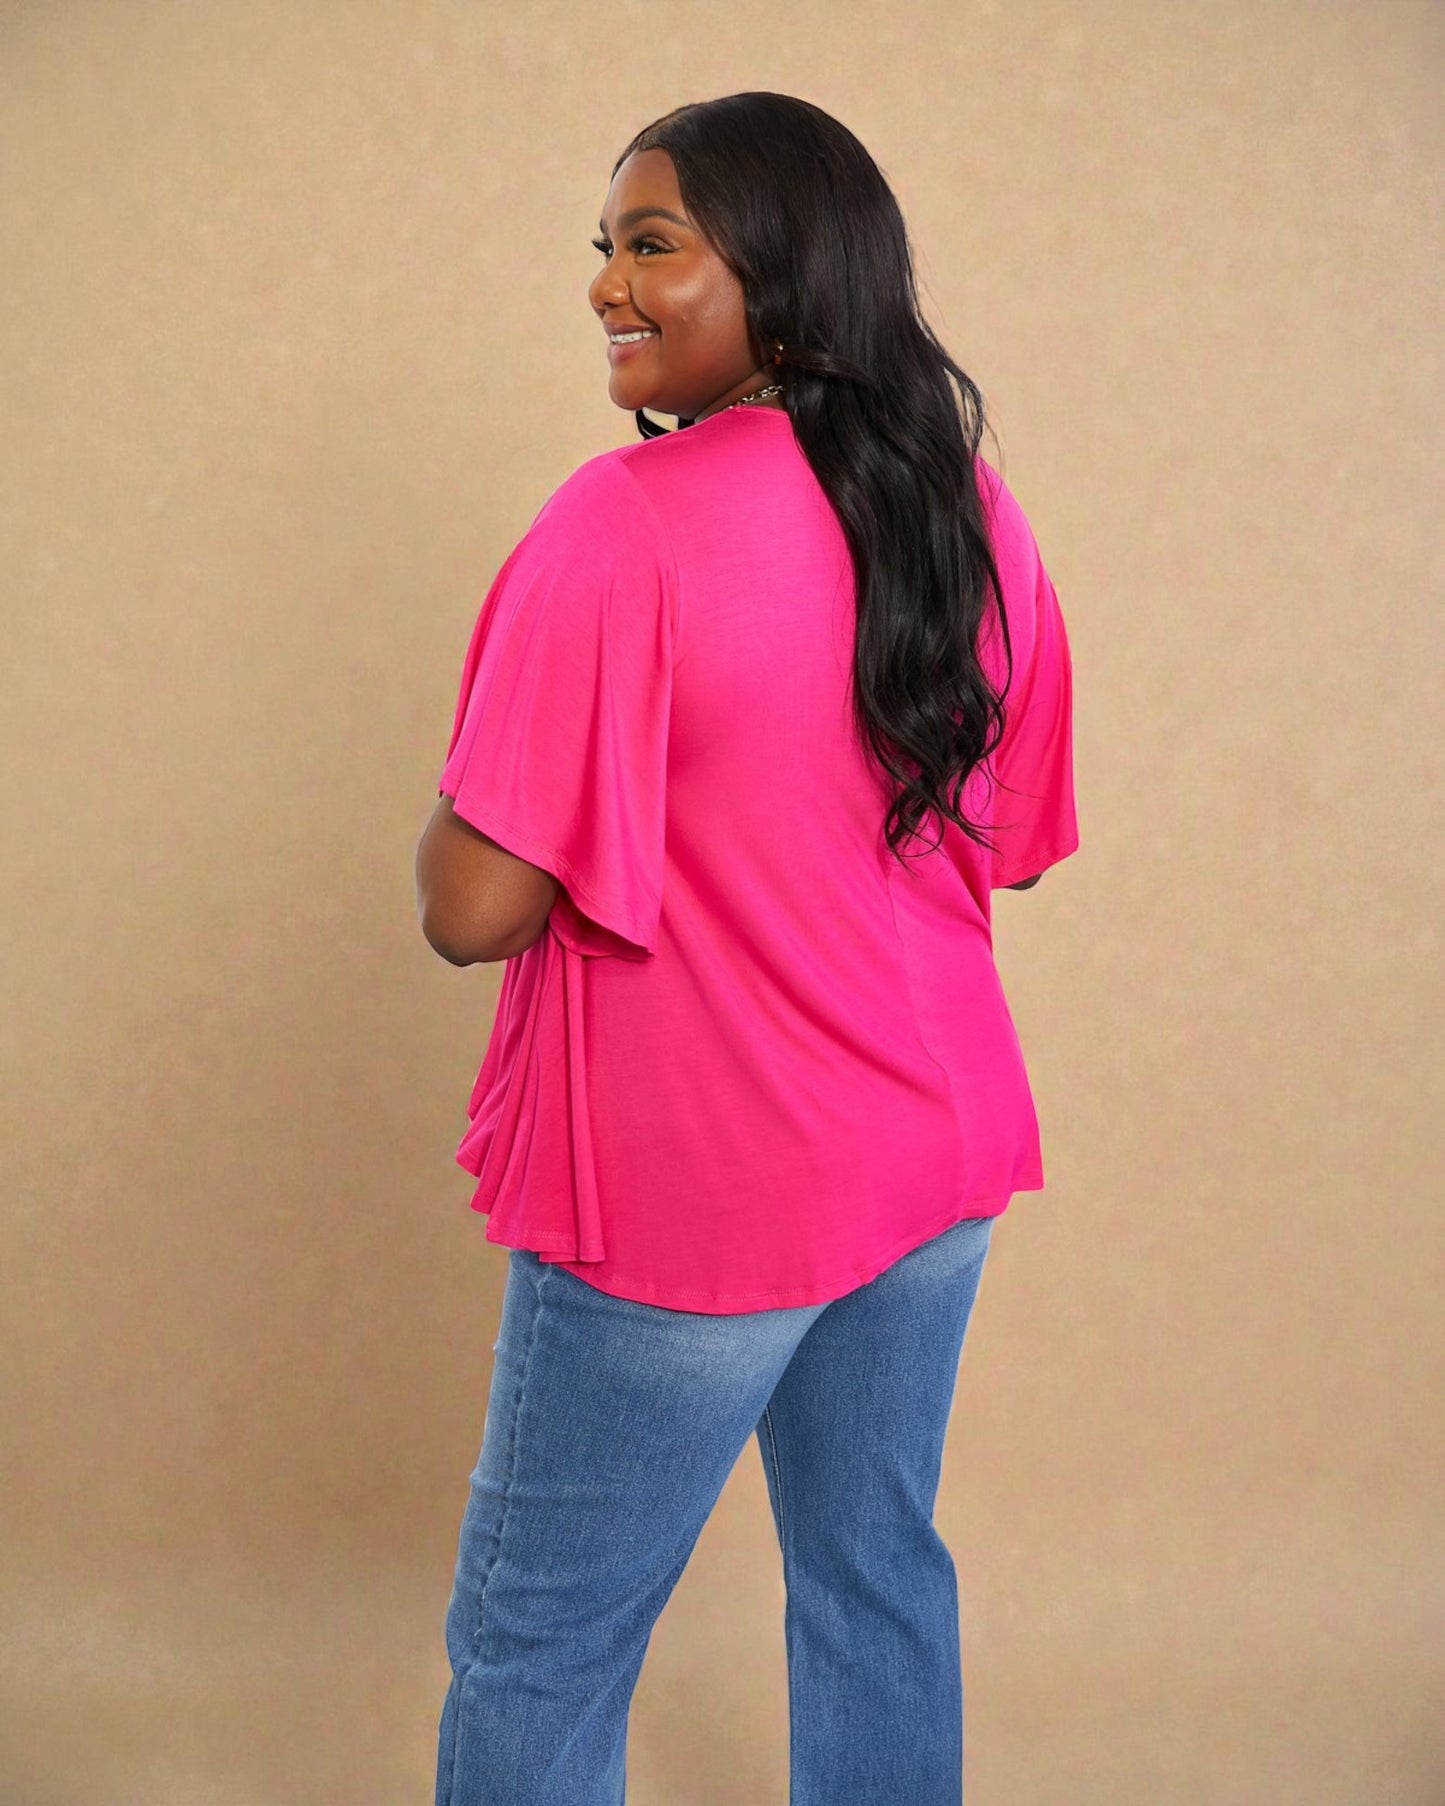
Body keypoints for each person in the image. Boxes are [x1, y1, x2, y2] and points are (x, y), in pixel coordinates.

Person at [417, 91, 1078, 1806]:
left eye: (653, 245)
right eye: (604, 249)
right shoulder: (962, 510)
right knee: (873, 1581)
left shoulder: (616, 527)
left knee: (543, 1642)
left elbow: (468, 907)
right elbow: (995, 833)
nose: (605, 286)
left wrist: (509, 766)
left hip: (697, 1179)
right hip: (927, 1154)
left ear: (776, 281)